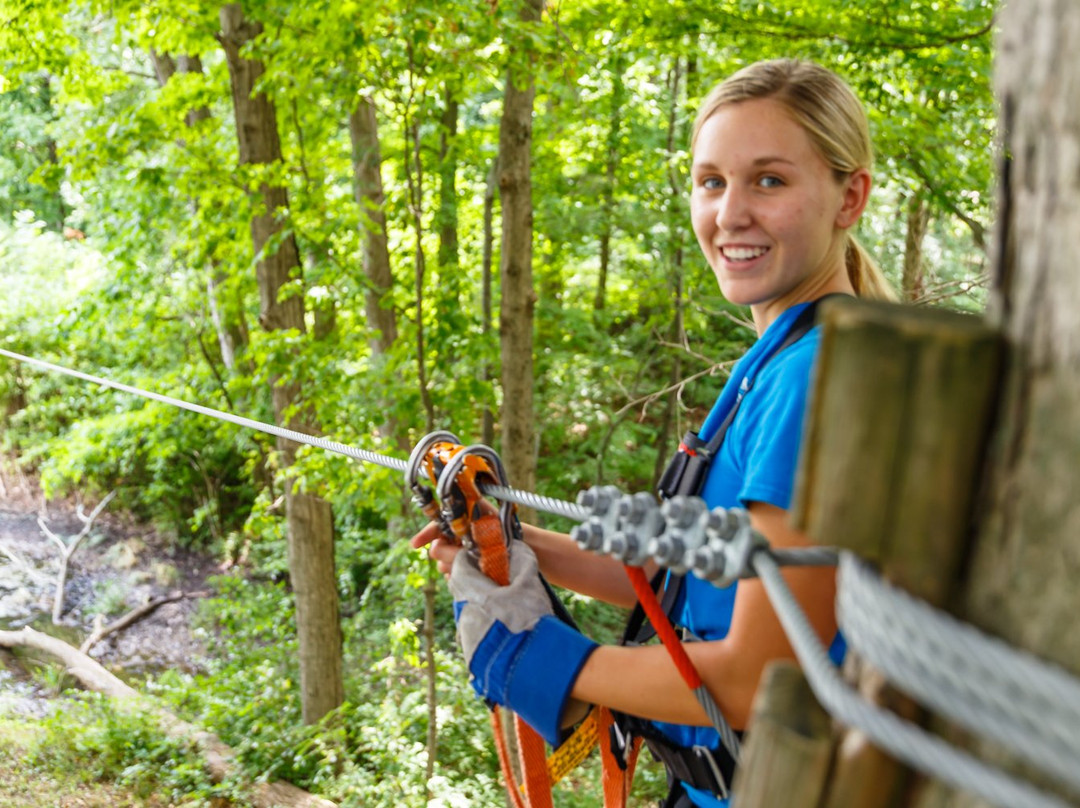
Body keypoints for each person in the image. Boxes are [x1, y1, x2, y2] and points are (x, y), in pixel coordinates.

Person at [412, 58, 897, 807]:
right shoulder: (786, 360)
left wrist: (538, 660)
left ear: (849, 196)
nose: (730, 213)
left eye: (769, 180)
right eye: (711, 181)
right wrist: (514, 540)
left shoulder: (816, 378)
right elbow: (689, 585)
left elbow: (756, 678)